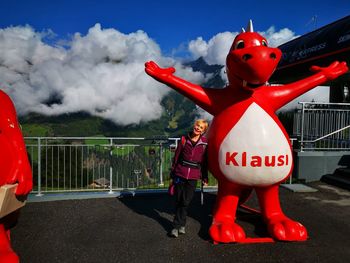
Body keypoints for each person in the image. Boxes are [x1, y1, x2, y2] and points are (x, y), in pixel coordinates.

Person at [169, 119, 209, 238]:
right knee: (179, 200)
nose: (198, 128)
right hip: (180, 173)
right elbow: (176, 158)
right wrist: (173, 173)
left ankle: (181, 224)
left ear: (203, 131)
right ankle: (177, 227)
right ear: (194, 126)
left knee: (186, 201)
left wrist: (204, 176)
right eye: (197, 125)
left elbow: (204, 162)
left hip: (193, 176)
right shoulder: (183, 140)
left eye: (201, 127)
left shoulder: (205, 144)